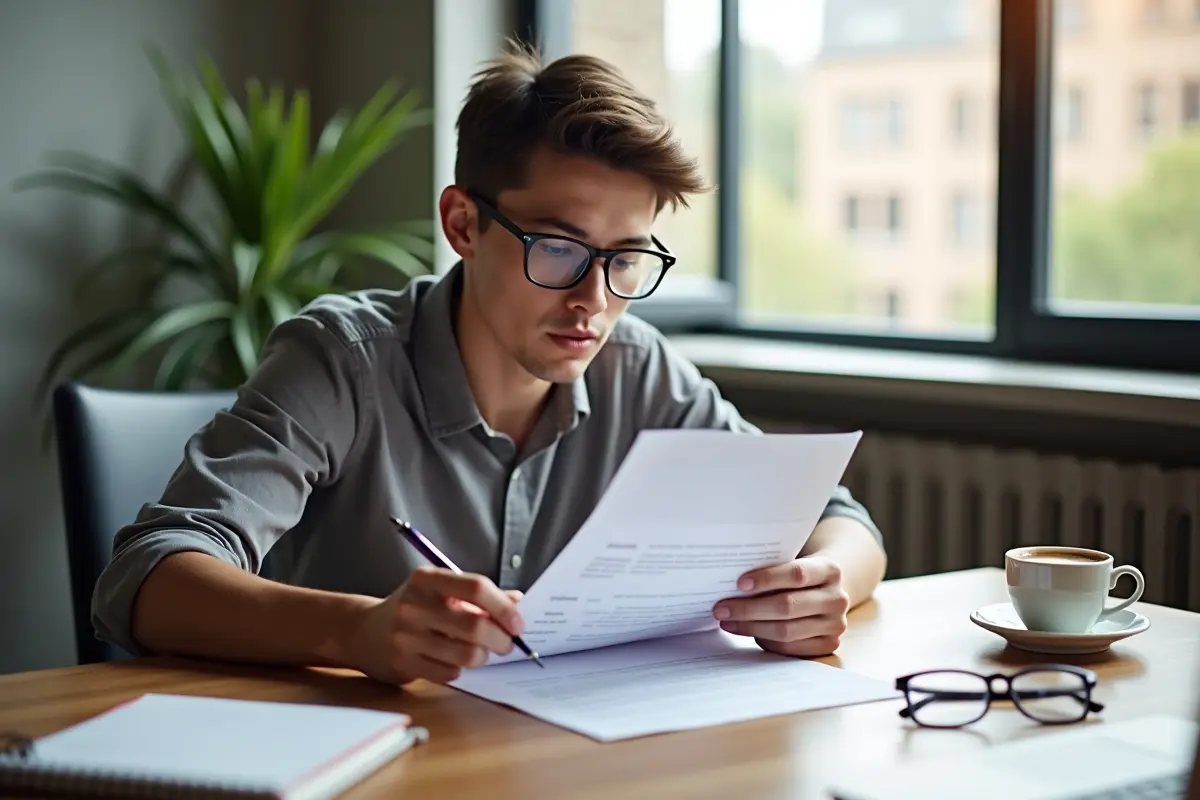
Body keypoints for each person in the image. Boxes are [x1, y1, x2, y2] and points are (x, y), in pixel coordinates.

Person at [91, 42, 886, 686]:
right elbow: (146, 578)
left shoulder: (638, 369)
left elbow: (843, 523)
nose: (593, 301)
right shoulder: (341, 360)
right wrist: (358, 628)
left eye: (627, 258)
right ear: (463, 223)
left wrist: (827, 585)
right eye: (559, 247)